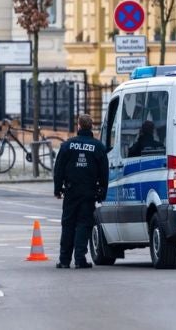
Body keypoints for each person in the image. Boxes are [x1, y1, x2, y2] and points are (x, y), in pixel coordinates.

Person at [53, 114, 109, 269]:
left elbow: (58, 169)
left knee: (68, 224)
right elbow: (104, 172)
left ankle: (64, 260)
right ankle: (80, 259)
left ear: (78, 126)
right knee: (84, 224)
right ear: (91, 127)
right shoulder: (98, 147)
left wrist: (57, 189)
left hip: (71, 191)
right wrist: (103, 191)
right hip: (88, 191)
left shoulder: (67, 145)